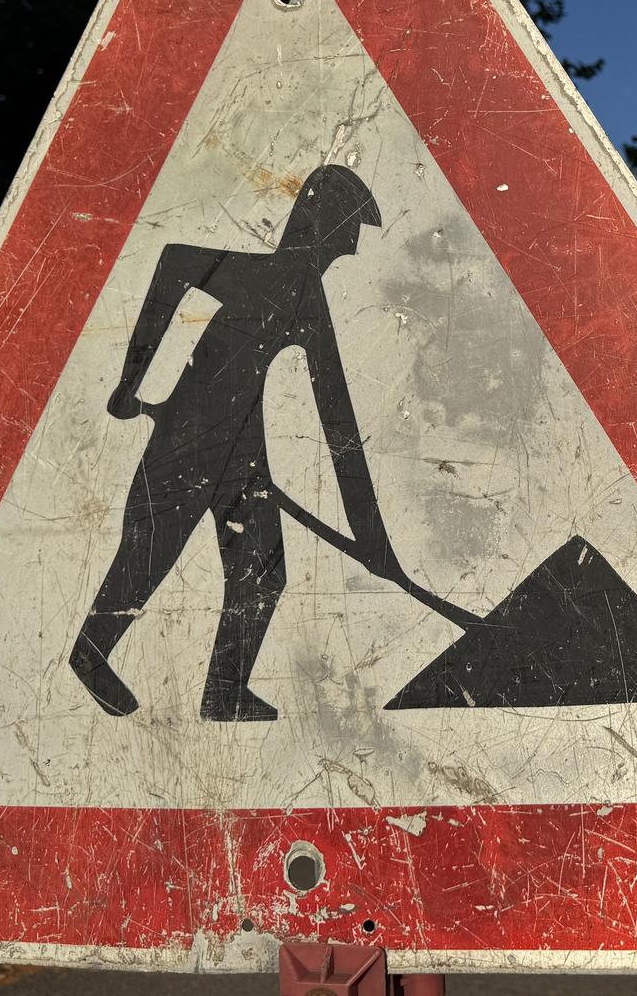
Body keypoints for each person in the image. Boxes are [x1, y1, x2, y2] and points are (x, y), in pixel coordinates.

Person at [67, 164, 394, 722]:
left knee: (263, 571)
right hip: (188, 439)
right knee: (150, 551)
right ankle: (90, 655)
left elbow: (337, 424)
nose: (350, 252)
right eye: (345, 236)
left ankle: (224, 691)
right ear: (318, 226)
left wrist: (374, 540)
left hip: (244, 454)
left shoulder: (307, 305)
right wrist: (133, 379)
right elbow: (173, 263)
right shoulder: (259, 276)